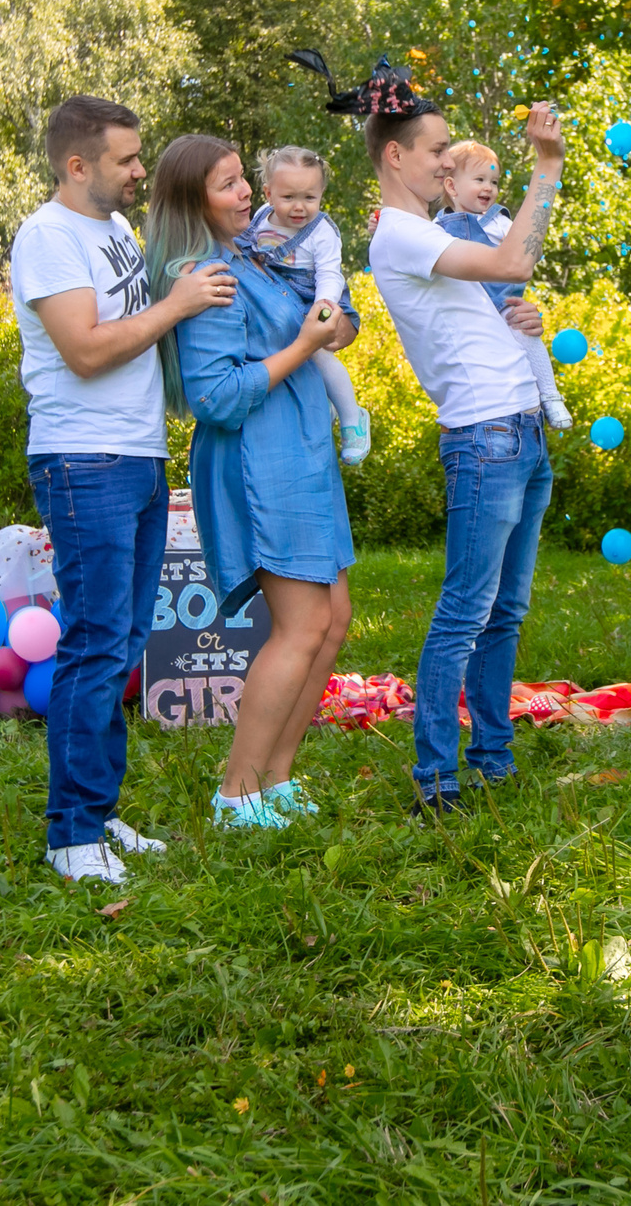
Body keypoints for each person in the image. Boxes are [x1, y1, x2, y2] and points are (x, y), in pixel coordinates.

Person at [11, 96, 235, 885]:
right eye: (128, 159)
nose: (142, 170)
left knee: (122, 641)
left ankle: (99, 813)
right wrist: (176, 304)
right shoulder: (48, 237)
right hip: (84, 461)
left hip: (135, 456)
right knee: (96, 643)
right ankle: (71, 834)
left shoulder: (110, 232)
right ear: (78, 165)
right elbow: (84, 350)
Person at [346, 59, 564, 814]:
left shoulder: (431, 230)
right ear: (395, 155)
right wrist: (546, 167)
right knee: (465, 610)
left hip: (522, 429)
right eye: (437, 148)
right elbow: (515, 256)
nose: (448, 160)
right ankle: (436, 781)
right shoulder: (399, 235)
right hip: (483, 437)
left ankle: (493, 758)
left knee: (504, 610)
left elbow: (500, 286)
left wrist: (523, 319)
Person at [155, 135, 360, 829]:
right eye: (227, 184)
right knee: (301, 626)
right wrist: (304, 345)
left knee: (332, 621)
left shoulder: (267, 247)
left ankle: (275, 778)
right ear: (193, 201)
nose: (245, 192)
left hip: (303, 449)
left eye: (244, 178)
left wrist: (337, 327)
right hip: (259, 458)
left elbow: (339, 315)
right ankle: (235, 793)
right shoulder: (207, 274)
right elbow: (215, 396)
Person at [246, 145, 374, 465]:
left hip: (314, 295)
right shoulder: (261, 219)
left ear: (321, 194)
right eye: (288, 197)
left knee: (316, 353)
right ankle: (326, 402)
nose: (300, 207)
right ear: (268, 193)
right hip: (277, 293)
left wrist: (323, 309)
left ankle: (351, 418)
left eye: (310, 197)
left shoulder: (322, 232)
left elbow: (330, 275)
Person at [438, 141, 573, 430]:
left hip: (502, 303)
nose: (489, 188)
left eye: (494, 181)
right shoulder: (438, 227)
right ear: (451, 186)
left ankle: (550, 396)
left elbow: (528, 248)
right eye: (480, 180)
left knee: (526, 338)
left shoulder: (497, 222)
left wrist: (529, 247)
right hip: (468, 315)